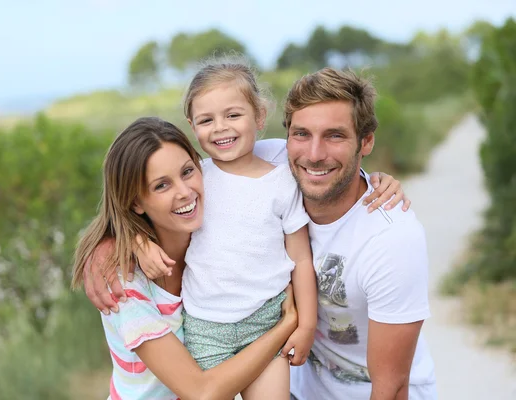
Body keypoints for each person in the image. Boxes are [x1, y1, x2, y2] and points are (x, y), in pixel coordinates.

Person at [71, 117, 299, 400]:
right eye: (161, 186)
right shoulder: (124, 284)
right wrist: (285, 326)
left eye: (188, 171)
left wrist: (369, 182)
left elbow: (281, 158)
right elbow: (201, 392)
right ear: (135, 202)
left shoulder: (214, 233)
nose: (184, 192)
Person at [131, 59, 317, 398]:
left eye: (233, 115)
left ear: (260, 115)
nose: (220, 127)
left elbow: (301, 259)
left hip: (267, 318)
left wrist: (306, 324)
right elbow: (148, 218)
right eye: (206, 120)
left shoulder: (283, 182)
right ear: (192, 126)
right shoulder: (193, 177)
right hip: (205, 325)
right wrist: (137, 241)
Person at [280, 68, 437, 399]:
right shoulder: (273, 167)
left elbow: (391, 387)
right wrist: (139, 238)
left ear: (366, 141)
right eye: (302, 134)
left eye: (335, 136)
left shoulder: (391, 239)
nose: (314, 154)